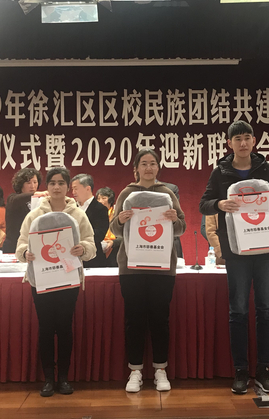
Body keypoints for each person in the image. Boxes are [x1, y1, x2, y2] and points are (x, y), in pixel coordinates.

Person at [199, 121, 269, 395]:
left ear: (254, 141)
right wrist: (219, 204)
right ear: (229, 143)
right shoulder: (220, 171)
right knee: (237, 311)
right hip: (236, 251)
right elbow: (204, 204)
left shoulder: (266, 169)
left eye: (247, 138)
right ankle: (240, 370)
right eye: (237, 138)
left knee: (266, 310)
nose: (243, 143)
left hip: (266, 249)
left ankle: (263, 370)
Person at [110, 149, 186, 393]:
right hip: (132, 268)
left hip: (162, 268)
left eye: (153, 163)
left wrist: (174, 219)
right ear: (136, 168)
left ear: (158, 167)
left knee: (160, 319)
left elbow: (181, 228)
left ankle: (160, 369)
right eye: (144, 163)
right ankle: (135, 371)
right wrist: (121, 220)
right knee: (134, 319)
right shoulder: (127, 193)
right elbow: (115, 229)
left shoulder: (167, 193)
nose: (149, 168)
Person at [16, 167, 96, 397]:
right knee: (45, 328)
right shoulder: (34, 215)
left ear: (68, 187)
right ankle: (48, 379)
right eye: (52, 183)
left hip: (68, 280)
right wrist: (26, 253)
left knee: (64, 328)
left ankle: (64, 378)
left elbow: (91, 244)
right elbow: (21, 245)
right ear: (47, 187)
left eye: (61, 183)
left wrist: (83, 249)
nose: (57, 187)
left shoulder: (78, 214)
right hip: (41, 280)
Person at [71, 174, 112, 268]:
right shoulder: (71, 208)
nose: (73, 192)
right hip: (72, 258)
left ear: (88, 188)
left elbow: (99, 234)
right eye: (72, 189)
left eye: (76, 188)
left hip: (94, 259)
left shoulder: (100, 209)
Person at [3, 168, 43, 254]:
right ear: (21, 184)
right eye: (28, 183)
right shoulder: (13, 198)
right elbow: (16, 200)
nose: (32, 186)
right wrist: (34, 194)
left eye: (35, 182)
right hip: (14, 246)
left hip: (35, 245)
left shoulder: (41, 200)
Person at [96, 186, 118, 259]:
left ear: (110, 200)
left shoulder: (116, 214)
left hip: (114, 249)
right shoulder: (95, 215)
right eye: (98, 198)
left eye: (103, 198)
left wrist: (113, 242)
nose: (100, 201)